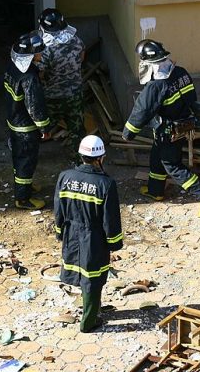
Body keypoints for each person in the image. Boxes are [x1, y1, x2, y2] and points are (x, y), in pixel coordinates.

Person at [122, 39, 200, 218]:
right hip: (183, 125)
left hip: (168, 131)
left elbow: (141, 112)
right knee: (157, 156)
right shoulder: (180, 73)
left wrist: (128, 134)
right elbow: (192, 97)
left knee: (172, 164)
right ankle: (155, 190)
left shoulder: (155, 86)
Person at [54, 135, 123, 333]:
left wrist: (60, 232)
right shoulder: (105, 184)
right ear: (100, 157)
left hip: (71, 232)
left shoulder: (65, 177)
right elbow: (110, 218)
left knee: (79, 271)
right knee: (93, 277)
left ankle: (90, 309)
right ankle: (88, 321)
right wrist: (114, 243)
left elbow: (58, 209)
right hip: (93, 236)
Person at [4, 31, 52, 210]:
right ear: (30, 55)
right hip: (25, 127)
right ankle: (23, 198)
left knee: (18, 156)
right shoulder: (29, 78)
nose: (42, 54)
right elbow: (35, 106)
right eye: (39, 52)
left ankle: (24, 185)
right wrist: (44, 127)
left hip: (14, 121)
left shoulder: (13, 66)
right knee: (26, 159)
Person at [36, 8, 86, 147]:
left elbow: (39, 73)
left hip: (52, 97)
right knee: (77, 131)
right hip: (75, 94)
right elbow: (82, 57)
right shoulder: (76, 40)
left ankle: (28, 151)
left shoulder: (45, 49)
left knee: (43, 127)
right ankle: (79, 162)